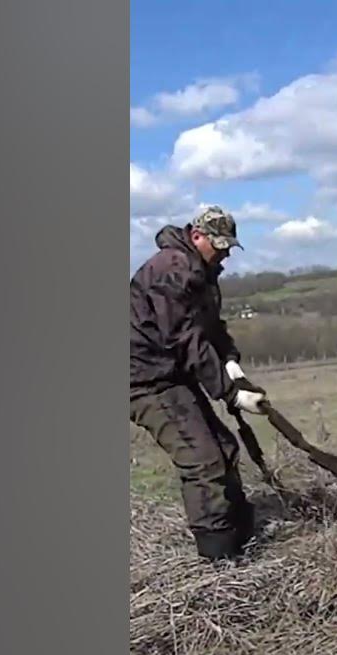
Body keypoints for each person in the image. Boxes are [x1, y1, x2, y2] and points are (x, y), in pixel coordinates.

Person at [129, 206, 268, 561]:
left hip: (171, 373)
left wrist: (231, 362)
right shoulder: (172, 270)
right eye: (218, 245)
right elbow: (185, 338)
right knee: (203, 461)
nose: (223, 254)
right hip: (144, 380)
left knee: (225, 449)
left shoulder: (201, 271)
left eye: (228, 247)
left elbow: (210, 326)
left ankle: (242, 538)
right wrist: (229, 392)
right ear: (196, 236)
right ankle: (218, 562)